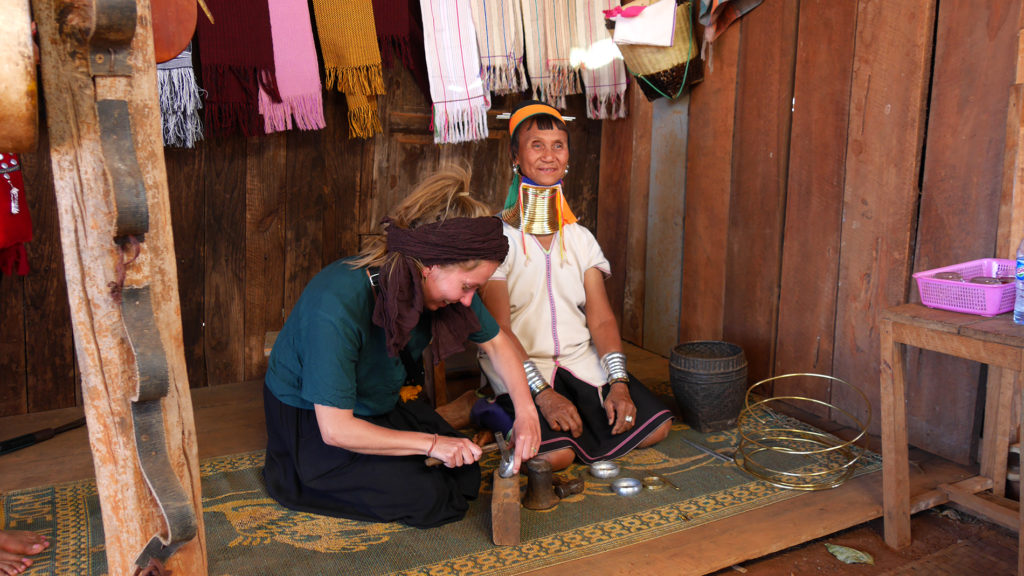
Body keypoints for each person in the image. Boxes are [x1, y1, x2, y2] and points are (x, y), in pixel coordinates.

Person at [262, 165, 541, 528]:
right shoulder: (334, 305)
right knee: (431, 499)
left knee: (465, 470)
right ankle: (303, 477)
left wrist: (526, 413)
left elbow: (498, 343)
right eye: (467, 286)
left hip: (373, 401)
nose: (471, 301)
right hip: (314, 421)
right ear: (430, 266)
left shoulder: (441, 290)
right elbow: (336, 430)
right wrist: (430, 444)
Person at [478, 100, 673, 471]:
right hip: (519, 366)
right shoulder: (495, 239)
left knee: (655, 428)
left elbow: (600, 320)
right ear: (515, 156)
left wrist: (619, 382)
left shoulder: (580, 238)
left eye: (558, 145)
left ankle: (572, 414)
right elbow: (499, 329)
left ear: (568, 155)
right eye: (537, 145)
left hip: (578, 360)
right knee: (556, 457)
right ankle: (489, 408)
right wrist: (542, 393)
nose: (549, 156)